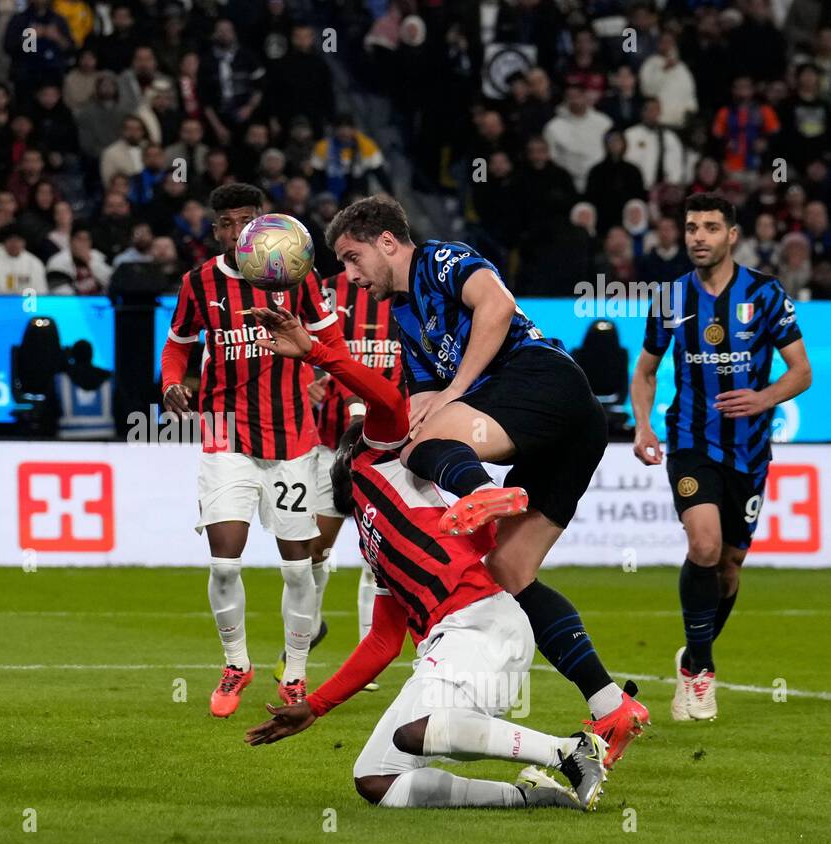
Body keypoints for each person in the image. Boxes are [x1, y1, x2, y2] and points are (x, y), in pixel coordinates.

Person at [324, 195, 649, 768]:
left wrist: (454, 394)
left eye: (353, 258)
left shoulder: (442, 259)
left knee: (426, 446)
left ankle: (478, 493)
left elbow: (496, 308)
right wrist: (410, 417)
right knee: (508, 571)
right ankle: (611, 705)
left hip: (546, 380)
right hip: (575, 432)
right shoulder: (403, 317)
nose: (350, 276)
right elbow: (422, 398)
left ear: (388, 242)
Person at [245, 307, 607, 811]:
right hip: (444, 646)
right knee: (376, 780)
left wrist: (315, 353)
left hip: (483, 624)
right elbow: (382, 642)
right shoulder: (372, 540)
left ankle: (571, 752)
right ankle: (529, 798)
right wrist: (317, 706)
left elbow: (384, 396)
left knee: (418, 731)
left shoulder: (386, 457)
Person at [159, 183, 345, 716]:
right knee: (223, 562)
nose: (237, 230)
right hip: (225, 435)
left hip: (291, 440)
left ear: (264, 222)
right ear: (215, 228)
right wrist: (172, 382)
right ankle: (236, 663)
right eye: (226, 222)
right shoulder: (197, 283)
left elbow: (330, 339)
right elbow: (178, 345)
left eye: (247, 219)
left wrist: (326, 374)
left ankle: (296, 674)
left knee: (296, 568)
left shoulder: (297, 277)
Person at [631, 193, 812, 721]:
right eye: (691, 227)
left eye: (710, 227)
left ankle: (694, 654)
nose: (698, 236)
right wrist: (642, 425)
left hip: (750, 451)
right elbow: (644, 372)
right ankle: (699, 673)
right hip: (689, 443)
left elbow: (801, 372)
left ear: (732, 235)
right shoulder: (670, 299)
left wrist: (763, 397)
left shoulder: (765, 293)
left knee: (729, 568)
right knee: (705, 546)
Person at [272, 272, 400, 693]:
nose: (357, 265)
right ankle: (305, 634)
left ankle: (368, 659)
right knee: (314, 552)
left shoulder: (409, 297)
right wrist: (307, 383)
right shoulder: (323, 291)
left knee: (377, 556)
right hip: (332, 445)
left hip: (392, 447)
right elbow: (293, 351)